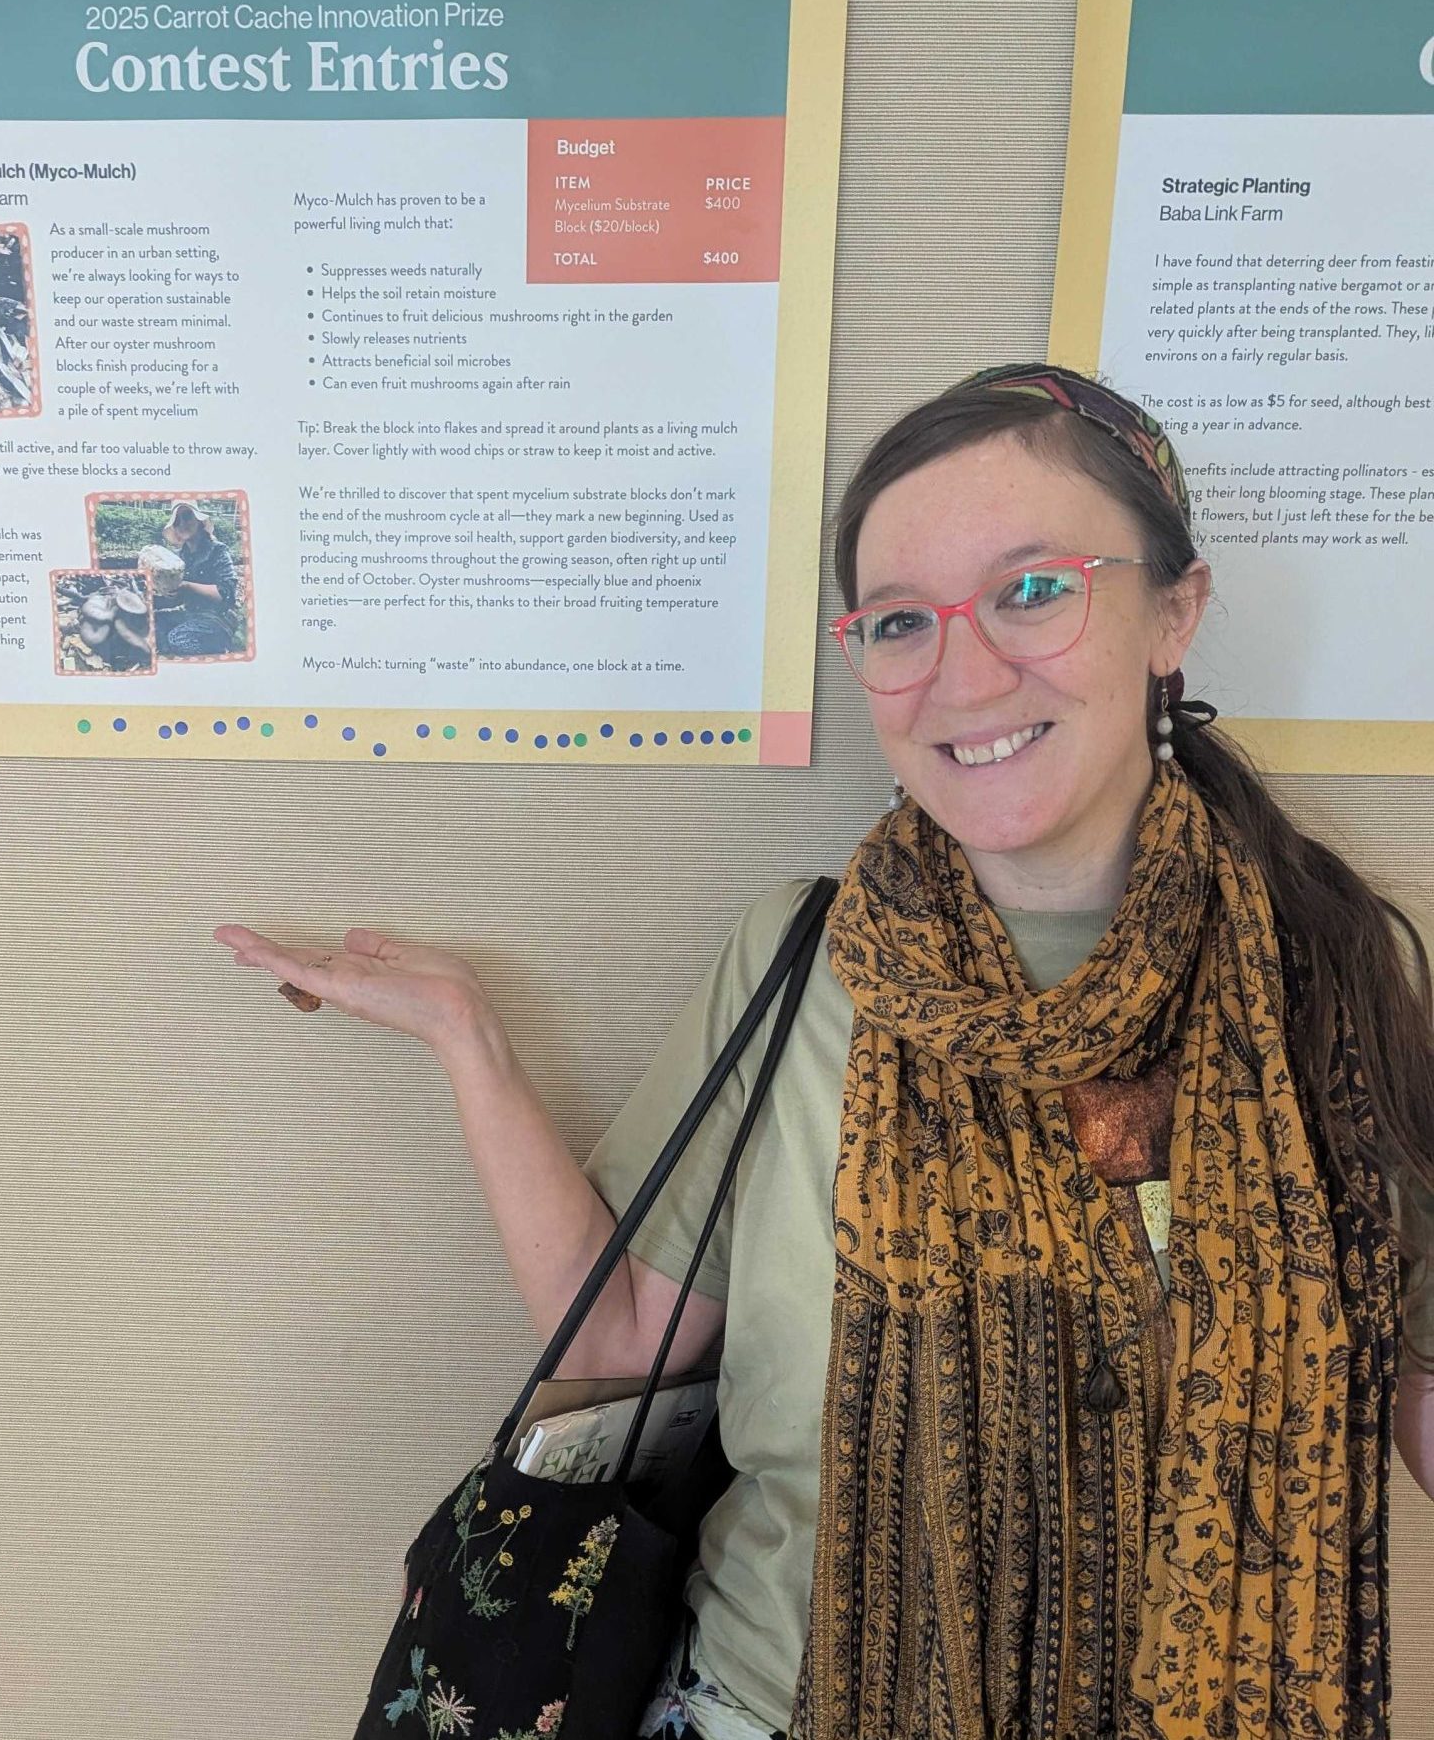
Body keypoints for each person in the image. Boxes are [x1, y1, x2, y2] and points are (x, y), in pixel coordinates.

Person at [215, 365, 1434, 1740]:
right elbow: (619, 1340)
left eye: (1034, 590)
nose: (964, 675)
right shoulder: (805, 961)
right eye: (901, 621)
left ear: (1174, 611)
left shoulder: (1326, 977)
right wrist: (471, 1042)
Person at [153, 501, 241, 657]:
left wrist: (187, 585)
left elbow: (227, 594)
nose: (182, 524)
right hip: (190, 614)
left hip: (217, 618)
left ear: (199, 522)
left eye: (187, 516)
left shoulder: (217, 550)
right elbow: (178, 598)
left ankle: (218, 651)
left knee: (177, 639)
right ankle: (172, 653)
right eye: (177, 521)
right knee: (152, 623)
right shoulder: (180, 557)